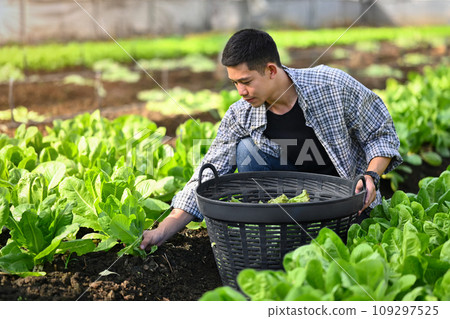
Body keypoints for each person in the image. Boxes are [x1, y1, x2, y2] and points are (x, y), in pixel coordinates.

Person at [140, 29, 402, 250]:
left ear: (271, 70)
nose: (241, 92)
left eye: (246, 81)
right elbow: (209, 171)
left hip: (347, 199)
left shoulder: (331, 85)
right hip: (296, 201)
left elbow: (381, 133)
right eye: (234, 83)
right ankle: (281, 234)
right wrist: (161, 231)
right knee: (245, 151)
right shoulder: (241, 114)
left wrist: (371, 175)